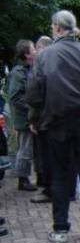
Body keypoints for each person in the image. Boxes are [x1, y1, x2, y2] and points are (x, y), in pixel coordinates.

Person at [26, 10, 80, 243]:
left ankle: (61, 230)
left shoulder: (45, 56)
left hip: (57, 124)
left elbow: (34, 92)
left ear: (57, 28)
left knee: (61, 175)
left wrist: (34, 119)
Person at [8, 39, 37, 191]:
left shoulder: (29, 69)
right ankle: (22, 179)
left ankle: (24, 177)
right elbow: (14, 97)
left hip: (29, 117)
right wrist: (31, 106)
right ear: (26, 54)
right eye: (33, 49)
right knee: (25, 149)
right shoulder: (18, 73)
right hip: (24, 119)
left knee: (28, 148)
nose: (35, 51)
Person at [30, 35, 54, 203]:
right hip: (59, 116)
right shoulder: (58, 63)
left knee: (47, 156)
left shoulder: (40, 65)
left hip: (45, 118)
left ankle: (49, 190)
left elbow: (34, 94)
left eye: (36, 48)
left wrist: (33, 119)